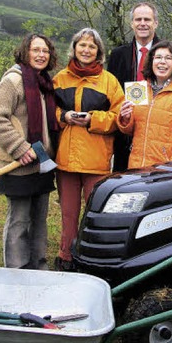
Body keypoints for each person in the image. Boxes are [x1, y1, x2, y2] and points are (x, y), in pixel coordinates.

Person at [52, 28, 124, 271]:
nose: (86, 50)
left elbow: (119, 118)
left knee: (95, 215)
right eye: (82, 45)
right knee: (69, 214)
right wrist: (64, 116)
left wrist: (93, 119)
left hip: (96, 160)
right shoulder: (60, 78)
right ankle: (66, 258)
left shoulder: (109, 81)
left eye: (91, 46)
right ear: (74, 48)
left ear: (99, 52)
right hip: (66, 160)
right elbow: (48, 111)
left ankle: (92, 260)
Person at [0, 33, 59, 270]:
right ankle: (16, 270)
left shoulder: (45, 83)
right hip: (18, 165)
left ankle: (38, 267)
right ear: (25, 52)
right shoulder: (13, 81)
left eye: (45, 51)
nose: (40, 55)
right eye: (35, 50)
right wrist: (19, 147)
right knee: (19, 219)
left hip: (42, 165)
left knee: (39, 220)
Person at [117, 40, 172, 169]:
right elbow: (131, 130)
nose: (162, 62)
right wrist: (126, 119)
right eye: (158, 57)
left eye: (168, 58)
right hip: (136, 167)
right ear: (151, 61)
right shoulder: (139, 89)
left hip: (164, 171)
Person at [107, 2, 161, 172]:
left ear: (156, 23)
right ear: (132, 24)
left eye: (147, 19)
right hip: (125, 129)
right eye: (138, 19)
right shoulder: (118, 55)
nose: (142, 23)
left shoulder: (170, 54)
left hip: (158, 129)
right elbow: (110, 92)